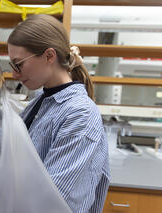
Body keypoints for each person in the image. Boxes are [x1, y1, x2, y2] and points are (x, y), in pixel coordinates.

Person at [7, 14, 110, 213]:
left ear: (49, 56)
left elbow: (50, 202)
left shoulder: (80, 115)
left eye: (18, 64)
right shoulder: (41, 101)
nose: (15, 74)